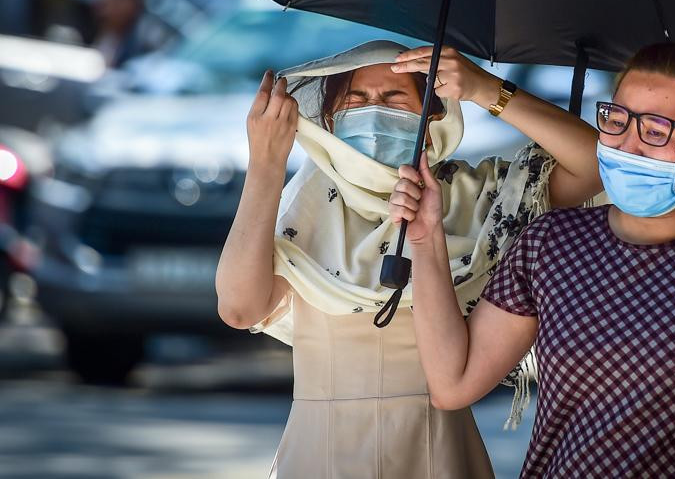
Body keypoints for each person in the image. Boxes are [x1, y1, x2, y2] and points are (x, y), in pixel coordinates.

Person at [393, 41, 675, 478]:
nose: (627, 147)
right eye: (618, 121)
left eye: (655, 130)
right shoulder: (553, 241)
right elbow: (453, 383)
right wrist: (426, 241)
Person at [215, 40, 603, 479]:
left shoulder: (471, 197)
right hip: (319, 455)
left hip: (440, 453)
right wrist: (265, 164)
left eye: (395, 99)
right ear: (329, 119)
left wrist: (486, 89)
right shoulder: (307, 207)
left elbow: (594, 166)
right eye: (356, 100)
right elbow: (239, 307)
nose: (374, 112)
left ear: (431, 117)